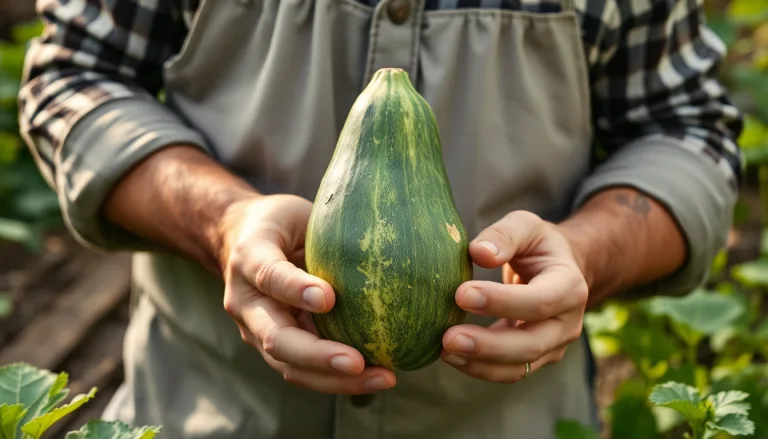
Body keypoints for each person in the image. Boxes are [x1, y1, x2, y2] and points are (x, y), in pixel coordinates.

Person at [18, 0, 742, 437]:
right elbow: (74, 77)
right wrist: (223, 223)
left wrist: (585, 254)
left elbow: (689, 131)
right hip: (206, 410)